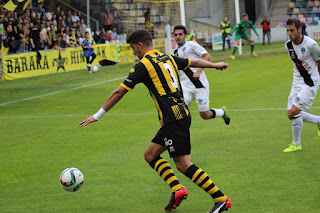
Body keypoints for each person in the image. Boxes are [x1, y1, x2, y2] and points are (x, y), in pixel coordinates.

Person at [78, 30, 232, 213]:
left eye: (133, 47)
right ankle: (177, 190)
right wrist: (215, 65)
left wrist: (97, 115)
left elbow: (119, 92)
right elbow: (196, 62)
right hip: (178, 115)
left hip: (173, 119)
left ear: (140, 45)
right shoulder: (168, 57)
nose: (134, 51)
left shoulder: (143, 65)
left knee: (183, 164)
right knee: (150, 155)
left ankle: (221, 199)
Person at [173, 25, 230, 124]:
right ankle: (178, 134)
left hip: (199, 85)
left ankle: (222, 112)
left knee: (205, 115)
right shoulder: (175, 52)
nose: (178, 37)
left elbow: (207, 56)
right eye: (176, 35)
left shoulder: (192, 45)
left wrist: (198, 71)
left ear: (185, 35)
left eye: (180, 34)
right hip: (185, 86)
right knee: (179, 109)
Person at [283, 18, 320, 152]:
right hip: (297, 82)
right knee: (291, 114)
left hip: (310, 83)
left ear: (299, 29)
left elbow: (319, 62)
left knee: (294, 111)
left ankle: (296, 144)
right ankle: (319, 120)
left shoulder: (311, 45)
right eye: (287, 31)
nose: (289, 33)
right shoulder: (288, 46)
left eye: (292, 30)